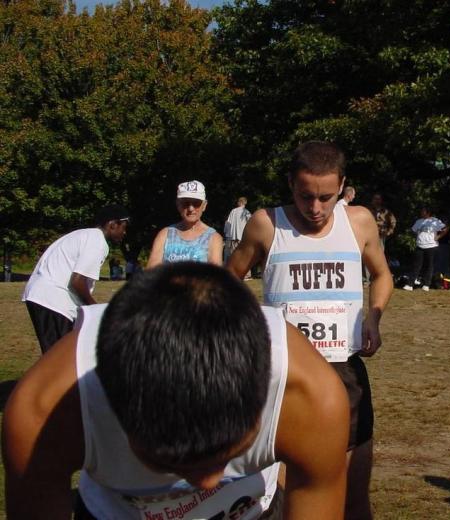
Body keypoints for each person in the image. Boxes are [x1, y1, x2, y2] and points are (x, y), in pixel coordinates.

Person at [3, 262, 349, 519]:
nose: (208, 482)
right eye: (167, 461)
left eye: (228, 453)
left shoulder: (310, 396)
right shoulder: (43, 413)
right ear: (112, 407)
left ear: (264, 395)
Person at [227, 140, 394, 520]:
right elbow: (229, 278)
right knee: (281, 498)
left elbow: (382, 274)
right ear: (290, 184)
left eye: (326, 197)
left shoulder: (359, 221)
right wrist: (254, 323)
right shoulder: (266, 223)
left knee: (352, 499)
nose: (316, 208)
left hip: (343, 373)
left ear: (343, 186)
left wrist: (374, 317)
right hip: (283, 377)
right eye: (305, 197)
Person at [21, 204, 129, 353]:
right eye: (123, 227)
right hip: (54, 301)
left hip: (40, 296)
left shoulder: (82, 234)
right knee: (60, 358)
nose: (125, 232)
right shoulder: (97, 241)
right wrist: (95, 308)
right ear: (112, 225)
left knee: (58, 355)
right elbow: (77, 282)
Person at [147, 180, 223, 268]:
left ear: (204, 205)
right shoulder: (165, 234)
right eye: (185, 203)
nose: (191, 208)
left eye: (196, 203)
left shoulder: (214, 238)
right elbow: (151, 271)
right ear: (178, 204)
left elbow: (215, 276)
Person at [402, 207, 447, 291]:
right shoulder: (418, 221)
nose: (421, 212)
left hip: (431, 246)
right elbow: (413, 230)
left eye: (423, 211)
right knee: (416, 265)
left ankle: (426, 284)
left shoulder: (435, 221)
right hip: (420, 246)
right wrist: (417, 237)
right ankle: (410, 284)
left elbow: (445, 229)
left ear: (428, 212)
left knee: (429, 266)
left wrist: (438, 236)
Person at [224, 196, 253, 264]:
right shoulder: (246, 212)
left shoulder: (233, 211)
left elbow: (228, 223)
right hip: (243, 238)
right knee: (244, 256)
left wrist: (227, 235)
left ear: (240, 202)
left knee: (234, 255)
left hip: (233, 237)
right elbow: (251, 223)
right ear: (245, 203)